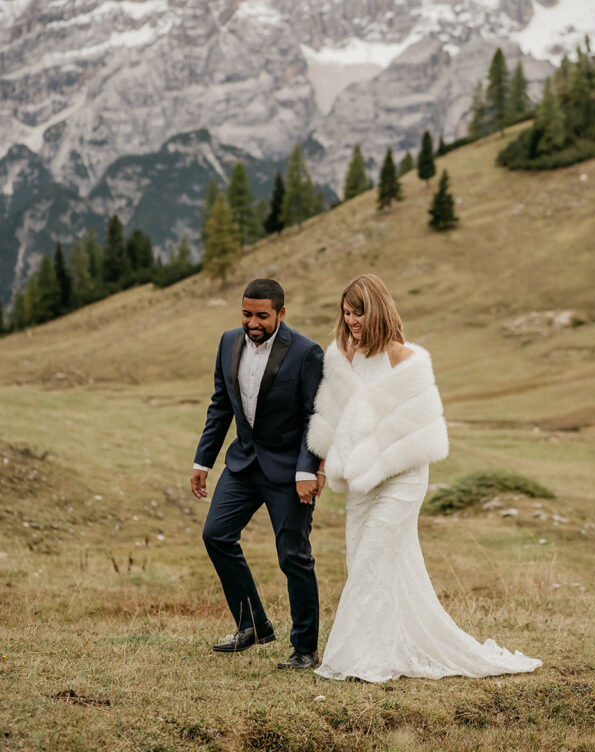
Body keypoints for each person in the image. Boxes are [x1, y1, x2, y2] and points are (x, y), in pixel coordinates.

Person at [307, 273, 543, 682]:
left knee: (370, 563)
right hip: (363, 483)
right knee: (368, 564)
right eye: (345, 314)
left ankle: (355, 661)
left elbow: (420, 431)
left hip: (402, 481)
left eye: (358, 313)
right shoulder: (342, 359)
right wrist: (322, 466)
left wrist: (380, 452)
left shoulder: (407, 360)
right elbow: (331, 421)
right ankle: (384, 647)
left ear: (377, 311)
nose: (351, 323)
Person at [191, 277, 325, 670]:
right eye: (247, 314)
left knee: (293, 557)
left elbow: (314, 417)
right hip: (244, 463)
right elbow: (221, 406)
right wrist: (203, 463)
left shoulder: (306, 352)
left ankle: (304, 648)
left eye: (262, 315)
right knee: (216, 534)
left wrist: (308, 470)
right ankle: (252, 624)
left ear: (281, 313)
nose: (253, 322)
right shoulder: (227, 342)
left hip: (290, 472)